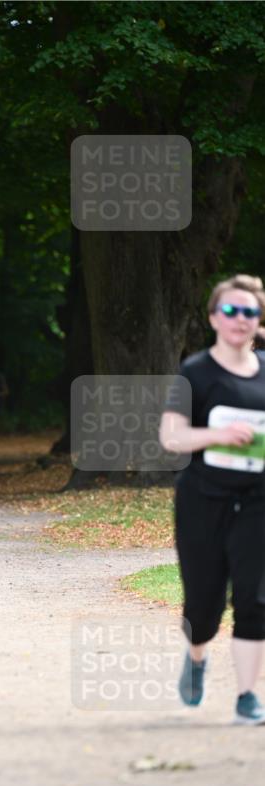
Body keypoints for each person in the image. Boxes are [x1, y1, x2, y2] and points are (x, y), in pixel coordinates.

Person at [160, 274, 265, 725]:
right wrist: (218, 435)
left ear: (259, 321)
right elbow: (171, 436)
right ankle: (197, 657)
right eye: (231, 310)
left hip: (258, 501)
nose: (240, 319)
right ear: (213, 317)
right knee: (204, 604)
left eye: (250, 312)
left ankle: (246, 696)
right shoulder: (195, 372)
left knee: (255, 599)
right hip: (203, 500)